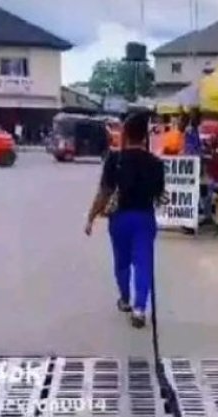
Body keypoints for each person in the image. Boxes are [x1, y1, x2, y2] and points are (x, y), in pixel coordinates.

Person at [84, 112, 165, 329]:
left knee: (122, 261)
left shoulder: (115, 159)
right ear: (145, 136)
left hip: (119, 219)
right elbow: (159, 195)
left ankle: (125, 300)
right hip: (145, 218)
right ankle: (140, 309)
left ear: (126, 134)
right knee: (143, 263)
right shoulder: (156, 164)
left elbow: (104, 192)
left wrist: (91, 217)